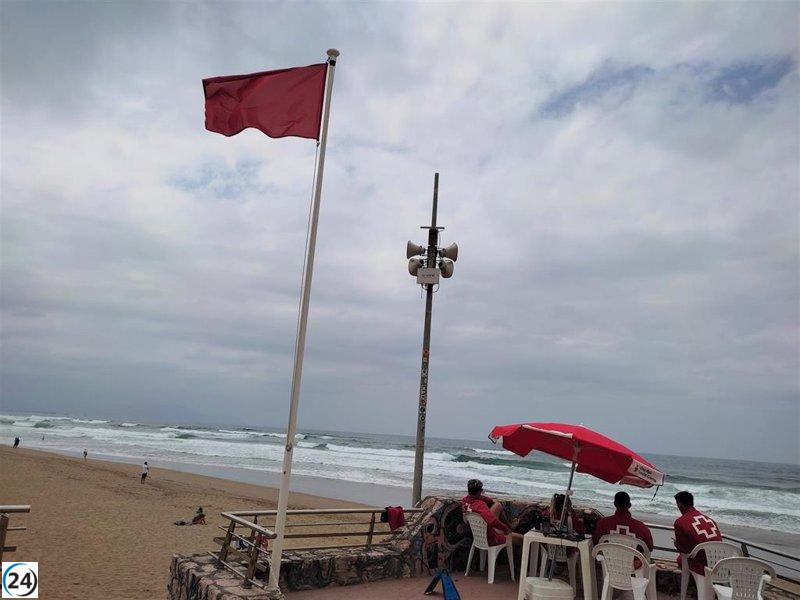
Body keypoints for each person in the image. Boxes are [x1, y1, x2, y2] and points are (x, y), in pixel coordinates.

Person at [673, 491, 722, 592]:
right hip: (719, 561)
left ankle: (695, 590)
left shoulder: (680, 522)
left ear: (680, 504)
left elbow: (683, 550)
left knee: (680, 559)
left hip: (702, 565)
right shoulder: (709, 519)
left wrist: (676, 544)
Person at [461, 479, 523, 546]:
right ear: (479, 491)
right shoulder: (480, 505)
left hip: (478, 536)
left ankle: (510, 526)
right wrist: (505, 529)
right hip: (492, 539)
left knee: (497, 505)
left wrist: (484, 498)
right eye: (481, 490)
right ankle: (510, 527)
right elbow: (492, 521)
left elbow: (489, 501)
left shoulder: (465, 501)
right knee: (522, 539)